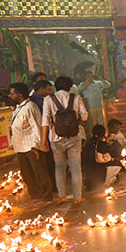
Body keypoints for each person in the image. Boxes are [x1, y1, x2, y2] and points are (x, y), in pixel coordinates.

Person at [42, 75, 88, 204]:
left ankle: (61, 196)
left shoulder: (48, 99)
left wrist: (43, 140)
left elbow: (45, 120)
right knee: (75, 168)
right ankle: (77, 197)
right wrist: (76, 123)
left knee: (59, 167)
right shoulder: (76, 98)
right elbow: (84, 116)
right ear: (70, 87)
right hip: (74, 136)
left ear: (56, 87)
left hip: (55, 138)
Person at [8, 82, 53, 203]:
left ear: (19, 95)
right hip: (21, 146)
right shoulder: (19, 108)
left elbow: (37, 127)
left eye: (12, 94)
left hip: (31, 146)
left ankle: (47, 195)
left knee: (40, 172)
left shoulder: (31, 107)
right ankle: (35, 194)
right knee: (27, 174)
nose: (9, 96)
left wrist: (36, 146)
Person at [83, 124, 122, 192]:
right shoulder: (102, 144)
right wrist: (107, 143)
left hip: (89, 174)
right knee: (117, 164)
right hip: (99, 173)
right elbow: (115, 155)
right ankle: (107, 182)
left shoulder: (88, 144)